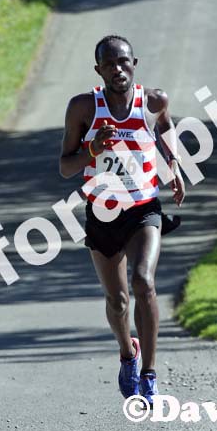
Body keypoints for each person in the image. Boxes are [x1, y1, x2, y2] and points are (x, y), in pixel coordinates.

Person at [59, 35, 185, 406]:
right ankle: (127, 354)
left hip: (144, 207)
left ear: (135, 63)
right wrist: (92, 150)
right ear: (98, 70)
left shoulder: (153, 101)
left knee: (144, 281)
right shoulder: (83, 108)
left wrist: (173, 165)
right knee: (118, 301)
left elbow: (165, 126)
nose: (118, 69)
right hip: (102, 212)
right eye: (109, 63)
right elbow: (65, 167)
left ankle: (149, 374)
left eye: (124, 61)